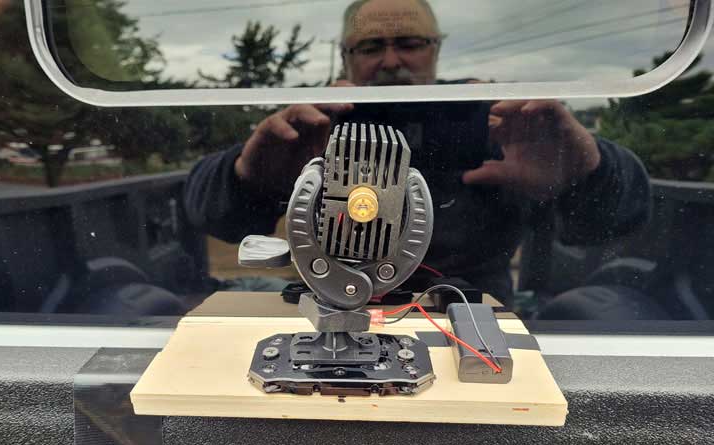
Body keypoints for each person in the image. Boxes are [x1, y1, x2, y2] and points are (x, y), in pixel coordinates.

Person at [183, 0, 650, 304]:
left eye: (409, 44)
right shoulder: (317, 123)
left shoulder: (493, 122)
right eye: (370, 46)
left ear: (435, 50)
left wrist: (584, 171)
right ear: (344, 56)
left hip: (472, 314)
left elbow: (613, 222)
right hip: (327, 306)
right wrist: (248, 174)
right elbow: (211, 215)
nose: (390, 61)